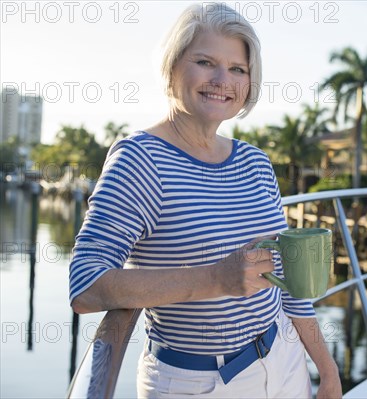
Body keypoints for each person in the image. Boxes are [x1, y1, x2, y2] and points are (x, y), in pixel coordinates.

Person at [68, 3, 342, 398]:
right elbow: (86, 284)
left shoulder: (256, 162)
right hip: (196, 383)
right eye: (205, 61)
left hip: (284, 359)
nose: (221, 80)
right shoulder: (140, 160)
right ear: (173, 66)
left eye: (237, 69)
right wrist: (214, 279)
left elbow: (288, 285)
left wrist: (327, 370)